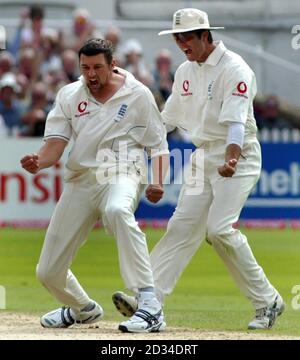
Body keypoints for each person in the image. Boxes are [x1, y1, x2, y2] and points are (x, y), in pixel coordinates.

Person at [112, 8, 285, 330]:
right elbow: (168, 118)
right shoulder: (186, 71)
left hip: (240, 156)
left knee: (219, 231)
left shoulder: (236, 69)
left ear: (206, 35)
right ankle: (150, 302)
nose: (182, 43)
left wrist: (231, 158)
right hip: (203, 156)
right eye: (177, 37)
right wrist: (135, 143)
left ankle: (268, 301)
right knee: (181, 228)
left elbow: (235, 124)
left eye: (187, 37)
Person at [20, 38, 169, 333]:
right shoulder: (69, 95)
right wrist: (39, 161)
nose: (91, 74)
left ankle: (150, 304)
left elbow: (159, 146)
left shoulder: (138, 94)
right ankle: (83, 308)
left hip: (124, 171)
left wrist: (158, 181)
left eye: (97, 68)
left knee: (116, 209)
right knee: (48, 272)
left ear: (113, 65)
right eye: (85, 67)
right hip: (82, 179)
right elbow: (54, 146)